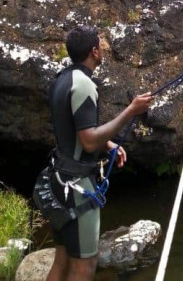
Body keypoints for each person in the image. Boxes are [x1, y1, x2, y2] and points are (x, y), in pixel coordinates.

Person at [43, 25, 152, 281]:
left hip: (58, 180)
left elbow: (74, 131)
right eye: (101, 44)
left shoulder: (62, 79)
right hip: (77, 187)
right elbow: (89, 141)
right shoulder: (84, 85)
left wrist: (108, 144)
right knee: (85, 266)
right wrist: (131, 111)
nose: (104, 48)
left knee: (62, 260)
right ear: (94, 51)